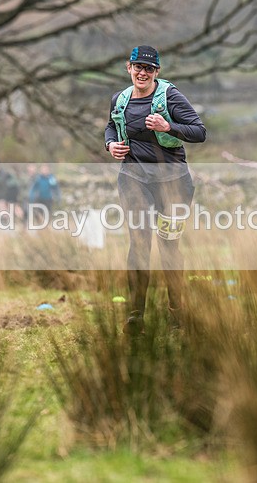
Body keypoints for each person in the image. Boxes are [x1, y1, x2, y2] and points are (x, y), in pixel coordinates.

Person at [104, 45, 206, 334]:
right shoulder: (120, 99)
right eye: (138, 66)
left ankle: (177, 316)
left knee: (168, 246)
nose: (142, 72)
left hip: (172, 181)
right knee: (139, 244)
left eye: (149, 68)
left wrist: (168, 126)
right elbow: (111, 127)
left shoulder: (170, 97)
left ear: (157, 72)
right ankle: (135, 315)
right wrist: (110, 144)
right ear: (128, 68)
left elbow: (199, 132)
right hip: (133, 177)